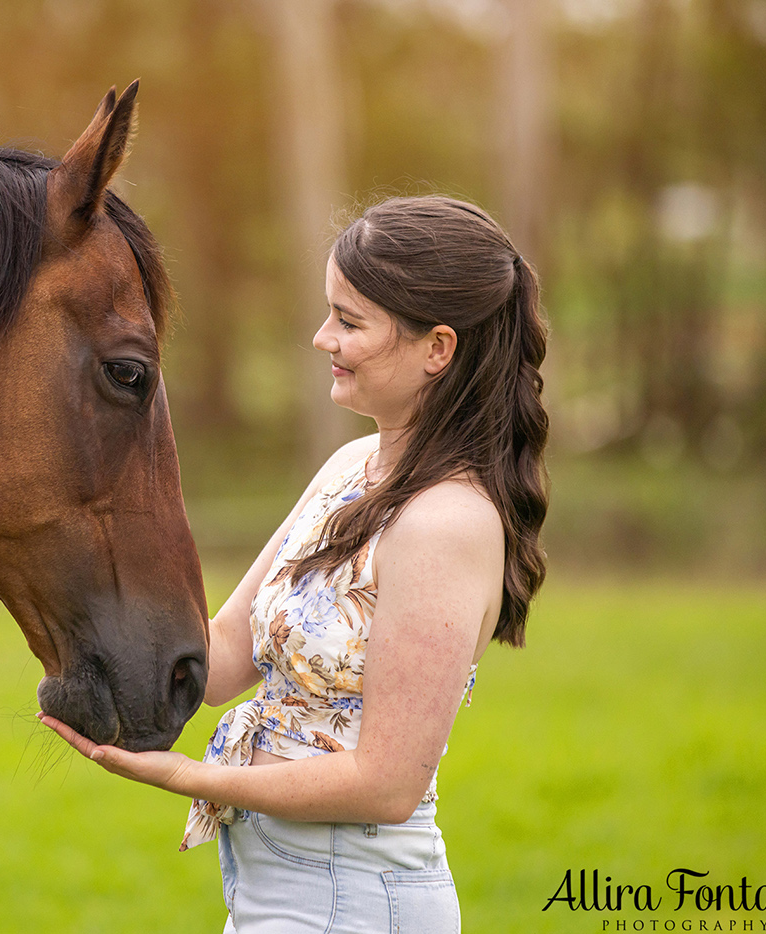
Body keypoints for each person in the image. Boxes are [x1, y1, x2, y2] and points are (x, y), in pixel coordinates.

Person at [41, 195, 549, 933]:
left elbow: (384, 786)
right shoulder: (350, 467)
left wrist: (190, 777)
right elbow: (217, 662)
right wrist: (67, 576)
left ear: (438, 348)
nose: (322, 338)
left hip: (356, 900)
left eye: (349, 320)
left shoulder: (448, 523)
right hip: (273, 891)